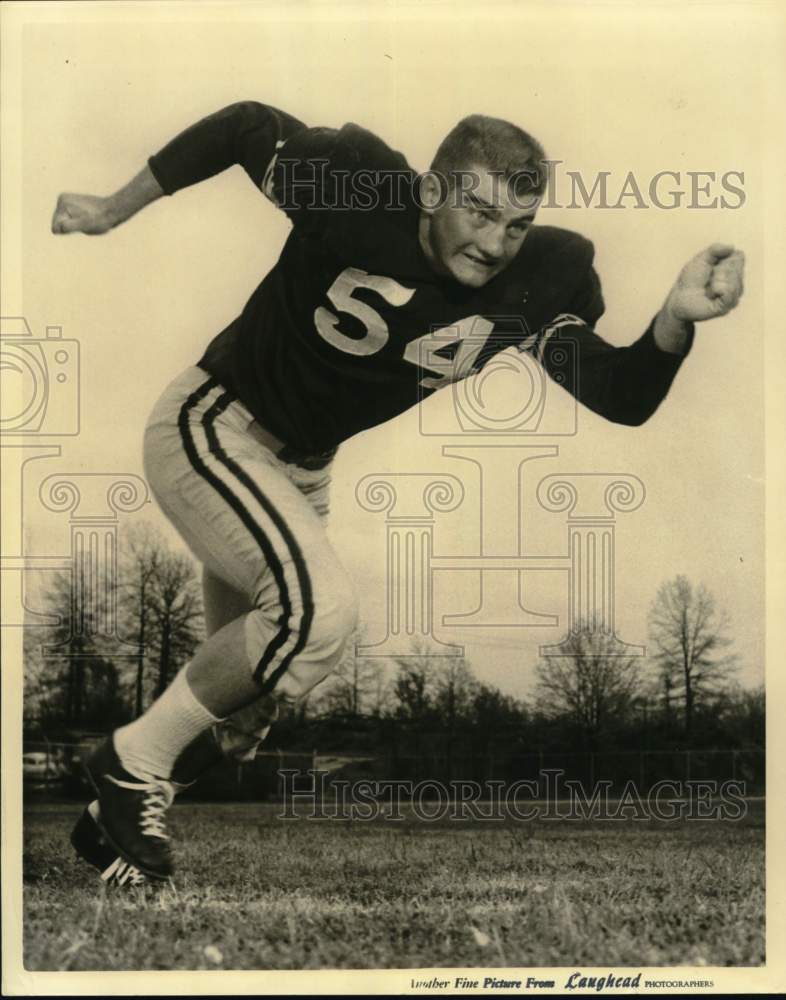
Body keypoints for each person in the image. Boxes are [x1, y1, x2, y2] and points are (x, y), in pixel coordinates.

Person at [52, 102, 745, 883]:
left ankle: (104, 828)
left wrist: (674, 321)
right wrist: (114, 207)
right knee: (319, 616)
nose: (493, 243)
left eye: (516, 224)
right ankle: (128, 765)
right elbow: (242, 127)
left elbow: (620, 394)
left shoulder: (538, 280)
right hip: (216, 424)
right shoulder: (355, 187)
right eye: (478, 211)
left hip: (302, 474)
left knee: (246, 716)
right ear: (429, 192)